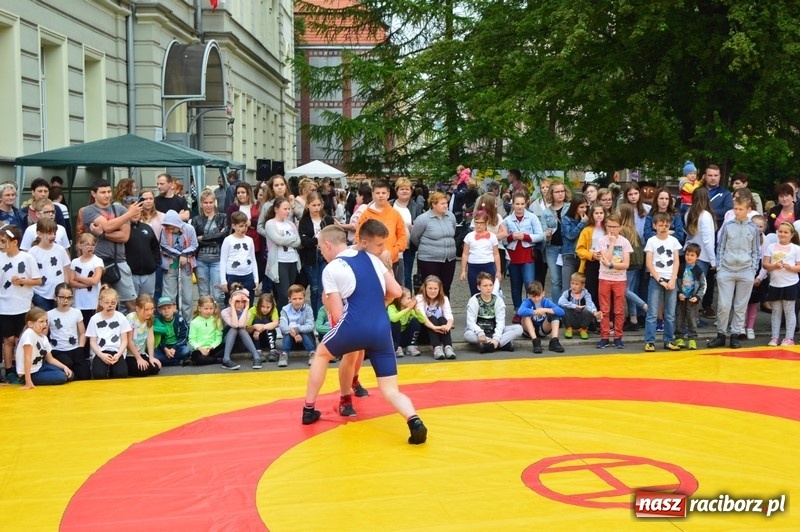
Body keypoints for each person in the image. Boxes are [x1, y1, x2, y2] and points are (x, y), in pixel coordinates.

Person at [301, 225, 427, 446]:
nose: (321, 252)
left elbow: (339, 314)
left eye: (321, 248)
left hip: (354, 324)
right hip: (380, 328)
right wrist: (380, 305)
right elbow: (397, 292)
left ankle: (309, 408)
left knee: (321, 354)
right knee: (390, 390)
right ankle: (414, 420)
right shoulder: (373, 259)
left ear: (328, 245)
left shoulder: (331, 269)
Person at [707, 197, 760, 349]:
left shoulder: (753, 228)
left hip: (745, 270)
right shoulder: (728, 226)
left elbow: (756, 250)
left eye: (740, 209)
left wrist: (752, 270)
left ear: (748, 210)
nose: (737, 212)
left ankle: (735, 334)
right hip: (727, 269)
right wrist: (720, 267)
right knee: (724, 305)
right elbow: (720, 247)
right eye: (735, 208)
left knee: (740, 305)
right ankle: (721, 334)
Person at [83, 179, 141, 310]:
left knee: (131, 302)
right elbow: (108, 226)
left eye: (109, 191)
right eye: (103, 192)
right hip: (97, 263)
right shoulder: (88, 211)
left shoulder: (119, 209)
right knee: (102, 303)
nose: (107, 195)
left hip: (119, 261)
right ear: (93, 194)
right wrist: (129, 214)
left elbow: (124, 236)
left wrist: (102, 234)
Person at [0, 224, 41, 384]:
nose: (1, 245)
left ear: (15, 241)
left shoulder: (27, 258)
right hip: (4, 306)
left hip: (22, 305)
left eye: (4, 241)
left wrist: (22, 281)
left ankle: (22, 369)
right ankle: (9, 370)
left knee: (20, 339)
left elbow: (38, 280)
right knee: (8, 339)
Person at [643, 212, 683, 352]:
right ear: (654, 226)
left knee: (670, 313)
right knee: (653, 312)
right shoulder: (651, 241)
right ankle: (650, 341)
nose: (664, 227)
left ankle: (668, 340)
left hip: (671, 279)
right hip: (656, 279)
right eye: (660, 225)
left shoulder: (673, 241)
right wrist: (659, 279)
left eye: (666, 225)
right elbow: (649, 263)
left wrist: (673, 279)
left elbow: (677, 261)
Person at [593, 212, 632, 349]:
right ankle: (604, 336)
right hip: (604, 278)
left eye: (615, 227)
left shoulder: (625, 242)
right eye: (609, 226)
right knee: (604, 309)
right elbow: (606, 260)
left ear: (620, 227)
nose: (611, 229)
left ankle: (618, 337)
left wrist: (612, 265)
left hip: (619, 279)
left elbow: (626, 264)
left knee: (619, 310)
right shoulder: (602, 241)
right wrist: (612, 243)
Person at [356, 179, 407, 282]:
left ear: (388, 194)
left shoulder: (395, 214)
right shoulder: (365, 215)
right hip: (371, 261)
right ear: (373, 195)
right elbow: (358, 237)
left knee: (392, 294)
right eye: (378, 193)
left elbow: (402, 237)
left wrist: (393, 252)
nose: (381, 195)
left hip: (391, 261)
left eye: (383, 193)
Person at [500, 191, 542, 313]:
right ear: (513, 204)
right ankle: (518, 309)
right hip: (513, 256)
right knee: (515, 284)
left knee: (529, 283)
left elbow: (540, 235)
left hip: (528, 255)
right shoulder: (507, 220)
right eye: (517, 204)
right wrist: (511, 237)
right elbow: (502, 240)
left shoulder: (532, 217)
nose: (519, 206)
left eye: (522, 204)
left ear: (526, 204)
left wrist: (526, 237)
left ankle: (531, 308)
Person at [410, 191, 458, 296]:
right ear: (433, 204)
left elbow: (453, 232)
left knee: (446, 287)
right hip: (429, 259)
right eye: (442, 203)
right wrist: (427, 248)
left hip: (449, 259)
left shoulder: (451, 216)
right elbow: (414, 237)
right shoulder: (423, 219)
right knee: (431, 288)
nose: (446, 206)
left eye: (446, 203)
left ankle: (445, 310)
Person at [761, 222, 800, 346]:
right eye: (780, 231)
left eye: (786, 232)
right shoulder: (771, 247)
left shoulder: (796, 248)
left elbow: (799, 267)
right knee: (776, 311)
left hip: (790, 284)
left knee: (789, 311)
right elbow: (765, 264)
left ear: (791, 234)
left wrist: (790, 268)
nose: (782, 234)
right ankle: (774, 337)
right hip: (775, 284)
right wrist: (774, 266)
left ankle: (789, 338)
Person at [464, 272, 522, 353]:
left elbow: (500, 322)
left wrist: (496, 338)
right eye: (485, 286)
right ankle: (503, 344)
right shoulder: (473, 300)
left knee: (519, 328)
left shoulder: (498, 300)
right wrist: (480, 333)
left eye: (490, 285)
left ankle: (489, 345)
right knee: (468, 335)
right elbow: (470, 322)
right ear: (479, 287)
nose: (488, 288)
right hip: (480, 333)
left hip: (495, 330)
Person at [16, 307, 72, 388]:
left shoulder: (43, 338)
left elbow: (50, 359)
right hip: (30, 373)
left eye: (46, 321)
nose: (45, 324)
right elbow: (27, 358)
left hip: (40, 367)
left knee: (69, 374)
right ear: (30, 324)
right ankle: (28, 380)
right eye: (41, 321)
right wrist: (28, 381)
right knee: (62, 377)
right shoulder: (29, 334)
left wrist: (64, 367)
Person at [298, 192, 334, 317]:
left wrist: (315, 240)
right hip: (311, 257)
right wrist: (317, 240)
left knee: (323, 289)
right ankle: (315, 316)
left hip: (325, 256)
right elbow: (305, 242)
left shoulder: (327, 219)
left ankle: (322, 316)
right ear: (308, 205)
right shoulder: (304, 221)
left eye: (319, 205)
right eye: (314, 205)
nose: (317, 208)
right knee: (314, 288)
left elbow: (333, 237)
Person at [192, 189, 229, 309]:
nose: (208, 205)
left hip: (218, 260)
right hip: (201, 261)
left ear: (215, 202)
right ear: (201, 204)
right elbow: (193, 240)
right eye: (205, 202)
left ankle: (222, 322)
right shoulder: (196, 219)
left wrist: (202, 238)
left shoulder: (223, 217)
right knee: (203, 295)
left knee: (218, 295)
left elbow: (223, 236)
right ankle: (205, 320)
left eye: (210, 202)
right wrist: (213, 237)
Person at [159, 210, 198, 324]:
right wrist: (179, 255)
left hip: (186, 266)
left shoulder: (189, 229)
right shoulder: (164, 231)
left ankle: (187, 323)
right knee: (169, 295)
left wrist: (185, 254)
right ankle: (170, 322)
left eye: (172, 228)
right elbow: (164, 246)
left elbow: (194, 245)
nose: (170, 230)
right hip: (170, 266)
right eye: (168, 228)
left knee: (187, 296)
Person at [263, 196, 302, 310]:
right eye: (285, 209)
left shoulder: (291, 224)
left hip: (292, 260)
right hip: (279, 262)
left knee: (291, 293)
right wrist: (292, 239)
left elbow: (298, 242)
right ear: (276, 209)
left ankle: (289, 317)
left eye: (289, 209)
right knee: (284, 294)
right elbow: (278, 240)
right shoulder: (270, 223)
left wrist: (287, 240)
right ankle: (281, 320)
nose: (288, 211)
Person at [86, 287, 131, 379]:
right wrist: (101, 355)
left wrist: (118, 355)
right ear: (101, 302)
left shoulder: (121, 317)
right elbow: (93, 342)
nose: (110, 305)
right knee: (99, 375)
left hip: (116, 351)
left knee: (121, 374)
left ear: (117, 303)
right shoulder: (94, 319)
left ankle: (112, 369)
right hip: (101, 351)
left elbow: (124, 340)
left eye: (113, 303)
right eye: (106, 302)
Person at [122, 196, 160, 305]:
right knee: (130, 305)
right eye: (133, 211)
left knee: (147, 303)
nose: (136, 213)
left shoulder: (147, 228)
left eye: (139, 210)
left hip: (149, 274)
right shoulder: (122, 228)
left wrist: (154, 264)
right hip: (130, 274)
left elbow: (155, 248)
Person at [47, 283, 89, 380]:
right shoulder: (49, 314)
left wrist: (80, 348)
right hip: (57, 350)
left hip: (74, 348)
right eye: (62, 297)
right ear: (55, 297)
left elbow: (82, 333)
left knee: (85, 374)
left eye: (69, 297)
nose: (65, 300)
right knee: (67, 363)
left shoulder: (76, 312)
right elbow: (44, 336)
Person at [28, 217, 70, 311]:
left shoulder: (60, 249)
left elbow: (66, 270)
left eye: (54, 233)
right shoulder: (32, 252)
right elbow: (29, 275)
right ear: (39, 234)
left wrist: (65, 287)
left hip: (59, 293)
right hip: (40, 294)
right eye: (49, 233)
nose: (53, 236)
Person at [540, 180, 571, 300]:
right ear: (551, 194)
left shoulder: (570, 208)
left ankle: (566, 309)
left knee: (567, 281)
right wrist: (546, 235)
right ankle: (556, 311)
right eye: (557, 192)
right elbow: (543, 234)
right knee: (555, 281)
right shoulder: (546, 212)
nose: (560, 194)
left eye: (562, 191)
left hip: (567, 248)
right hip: (552, 249)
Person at [220, 211, 259, 305]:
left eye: (245, 226)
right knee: (232, 303)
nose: (244, 229)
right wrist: (223, 281)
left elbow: (253, 259)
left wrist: (256, 279)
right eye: (241, 226)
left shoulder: (249, 240)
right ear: (233, 226)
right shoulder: (228, 240)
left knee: (248, 303)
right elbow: (223, 261)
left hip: (248, 276)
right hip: (232, 276)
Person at [618, 204, 647, 329]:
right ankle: (633, 319)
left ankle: (644, 306)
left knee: (625, 290)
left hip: (629, 264)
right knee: (631, 290)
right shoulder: (633, 230)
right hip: (637, 263)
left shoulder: (622, 230)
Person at [391, 177, 424, 289]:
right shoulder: (390, 205)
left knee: (406, 277)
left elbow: (420, 228)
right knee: (391, 276)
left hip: (408, 248)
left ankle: (407, 302)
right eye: (401, 189)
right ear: (396, 191)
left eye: (407, 189)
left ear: (411, 191)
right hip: (391, 247)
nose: (404, 191)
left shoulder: (416, 207)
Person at [460, 210, 502, 296]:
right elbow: (465, 254)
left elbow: (496, 254)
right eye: (476, 223)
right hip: (473, 267)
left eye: (481, 223)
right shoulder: (469, 236)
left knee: (489, 291)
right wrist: (463, 270)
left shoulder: (492, 236)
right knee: (474, 291)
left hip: (488, 266)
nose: (478, 225)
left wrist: (498, 271)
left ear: (487, 223)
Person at [674, 243, 707, 350]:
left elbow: (703, 285)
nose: (689, 257)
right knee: (680, 317)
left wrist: (698, 296)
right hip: (682, 298)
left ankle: (692, 338)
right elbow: (674, 281)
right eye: (687, 254)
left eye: (692, 255)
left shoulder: (698, 271)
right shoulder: (680, 268)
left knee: (692, 319)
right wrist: (678, 293)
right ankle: (679, 337)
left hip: (693, 300)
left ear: (697, 257)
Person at [220, 285, 261, 370]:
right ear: (231, 301)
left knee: (241, 329)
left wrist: (247, 307)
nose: (240, 304)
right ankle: (226, 359)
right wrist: (232, 305)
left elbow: (241, 325)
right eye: (237, 301)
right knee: (234, 328)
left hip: (241, 343)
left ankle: (256, 357)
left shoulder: (247, 312)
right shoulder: (225, 312)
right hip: (227, 342)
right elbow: (235, 325)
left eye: (243, 302)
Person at [416, 275, 456, 360]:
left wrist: (448, 325)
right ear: (425, 288)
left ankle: (448, 347)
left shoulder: (444, 298)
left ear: (439, 289)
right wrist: (434, 327)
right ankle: (437, 349)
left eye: (435, 288)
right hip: (425, 332)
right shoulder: (419, 298)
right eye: (430, 288)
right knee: (432, 318)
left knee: (442, 319)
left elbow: (449, 314)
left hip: (440, 332)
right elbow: (422, 317)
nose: (433, 291)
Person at [518, 280, 565, 354]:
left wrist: (546, 310)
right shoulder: (527, 302)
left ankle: (554, 340)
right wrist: (534, 312)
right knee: (525, 316)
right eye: (533, 296)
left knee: (555, 313)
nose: (537, 299)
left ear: (543, 293)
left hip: (542, 329)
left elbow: (562, 312)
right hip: (529, 331)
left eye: (538, 296)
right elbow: (520, 311)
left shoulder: (546, 301)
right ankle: (535, 341)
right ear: (528, 295)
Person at [68, 233, 104, 327]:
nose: (90, 247)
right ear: (80, 245)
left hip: (93, 302)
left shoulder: (97, 261)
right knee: (82, 326)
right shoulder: (75, 262)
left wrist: (78, 278)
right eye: (87, 244)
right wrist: (86, 284)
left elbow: (95, 280)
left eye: (92, 245)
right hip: (80, 301)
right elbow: (71, 282)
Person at [277, 284, 316, 367]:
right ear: (289, 299)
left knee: (304, 330)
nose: (297, 301)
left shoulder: (308, 309)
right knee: (288, 333)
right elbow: (283, 327)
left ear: (304, 298)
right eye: (294, 299)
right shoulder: (285, 309)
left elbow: (310, 325)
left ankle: (312, 353)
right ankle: (284, 354)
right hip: (291, 341)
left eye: (300, 298)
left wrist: (297, 330)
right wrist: (295, 333)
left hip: (306, 340)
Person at [575, 203, 606, 305]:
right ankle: (592, 315)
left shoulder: (608, 228)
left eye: (601, 213)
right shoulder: (587, 230)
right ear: (592, 214)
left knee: (603, 291)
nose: (599, 215)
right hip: (591, 263)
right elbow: (579, 249)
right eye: (596, 213)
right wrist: (591, 255)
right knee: (591, 290)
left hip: (606, 263)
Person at [560, 193, 590, 295]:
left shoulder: (587, 219)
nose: (584, 210)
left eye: (586, 207)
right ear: (574, 207)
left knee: (581, 286)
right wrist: (582, 223)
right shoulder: (566, 219)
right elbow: (570, 235)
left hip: (583, 257)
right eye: (581, 207)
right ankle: (566, 309)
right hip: (570, 255)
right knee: (567, 287)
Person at [125, 294, 162, 377]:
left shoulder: (150, 318)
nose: (150, 312)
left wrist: (151, 357)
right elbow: (129, 340)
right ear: (137, 309)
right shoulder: (131, 318)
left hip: (141, 352)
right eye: (146, 309)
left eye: (152, 309)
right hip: (129, 354)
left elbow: (150, 337)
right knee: (143, 371)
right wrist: (138, 358)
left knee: (155, 368)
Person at [558, 272, 602, 341]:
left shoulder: (586, 295)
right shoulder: (567, 293)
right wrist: (575, 306)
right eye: (572, 283)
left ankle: (583, 329)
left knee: (588, 309)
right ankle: (569, 328)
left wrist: (595, 313)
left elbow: (590, 304)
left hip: (582, 320)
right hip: (570, 319)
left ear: (583, 285)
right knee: (563, 308)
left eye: (577, 284)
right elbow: (560, 301)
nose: (573, 286)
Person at [152, 296, 190, 367]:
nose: (166, 311)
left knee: (186, 350)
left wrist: (174, 348)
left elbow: (184, 337)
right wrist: (165, 349)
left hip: (177, 346)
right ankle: (176, 361)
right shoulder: (157, 320)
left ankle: (166, 361)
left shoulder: (180, 319)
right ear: (159, 310)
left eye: (169, 308)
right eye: (163, 309)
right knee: (153, 353)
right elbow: (157, 338)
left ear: (174, 308)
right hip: (163, 347)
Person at [188, 295, 225, 366]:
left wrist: (211, 346)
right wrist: (200, 349)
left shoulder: (216, 320)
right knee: (196, 356)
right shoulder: (194, 322)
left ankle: (207, 359)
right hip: (200, 349)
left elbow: (218, 337)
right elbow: (192, 339)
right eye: (206, 309)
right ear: (199, 308)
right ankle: (215, 360)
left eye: (211, 308)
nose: (209, 311)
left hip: (212, 348)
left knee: (227, 346)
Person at [388, 287, 425, 357]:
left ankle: (411, 346)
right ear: (400, 300)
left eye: (410, 298)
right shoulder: (392, 307)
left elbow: (422, 320)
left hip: (405, 337)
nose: (410, 300)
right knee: (396, 322)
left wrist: (416, 309)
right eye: (408, 298)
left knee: (415, 321)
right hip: (394, 339)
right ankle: (397, 348)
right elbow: (393, 319)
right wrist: (408, 309)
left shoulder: (410, 309)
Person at [247, 292, 280, 363]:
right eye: (262, 306)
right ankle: (257, 351)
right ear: (258, 305)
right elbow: (247, 329)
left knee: (266, 320)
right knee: (257, 320)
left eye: (268, 307)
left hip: (269, 338)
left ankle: (273, 350)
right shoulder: (252, 310)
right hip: (256, 338)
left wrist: (261, 329)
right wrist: (254, 327)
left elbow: (276, 323)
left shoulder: (274, 309)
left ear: (272, 306)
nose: (265, 310)